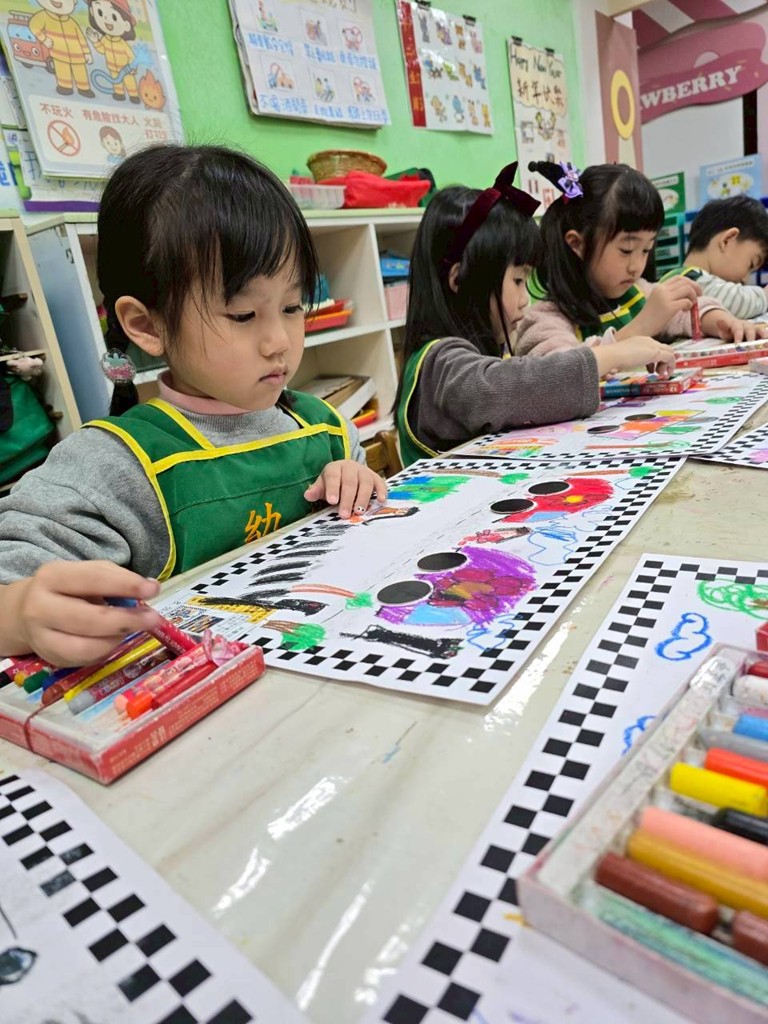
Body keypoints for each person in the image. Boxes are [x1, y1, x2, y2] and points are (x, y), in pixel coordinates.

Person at [0, 144, 385, 665]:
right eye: (243, 314)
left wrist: (359, 482)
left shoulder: (326, 428)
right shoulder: (116, 464)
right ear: (147, 325)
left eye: (293, 306)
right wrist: (20, 613)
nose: (280, 341)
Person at [394, 161, 675, 468]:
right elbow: (508, 388)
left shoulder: (479, 351)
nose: (525, 299)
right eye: (518, 280)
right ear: (459, 279)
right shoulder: (441, 366)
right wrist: (613, 354)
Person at [516, 161, 768, 357]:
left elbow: (687, 312)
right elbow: (559, 374)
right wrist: (643, 325)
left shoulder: (637, 292)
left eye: (646, 250)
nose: (637, 266)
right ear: (577, 244)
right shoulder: (545, 319)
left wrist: (725, 322)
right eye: (626, 250)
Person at [675, 195, 768, 320]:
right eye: (751, 264)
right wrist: (765, 295)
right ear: (727, 240)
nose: (745, 279)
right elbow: (738, 302)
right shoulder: (689, 282)